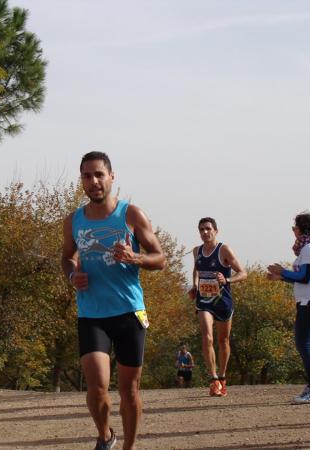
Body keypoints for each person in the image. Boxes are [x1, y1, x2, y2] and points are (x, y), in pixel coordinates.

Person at [61, 151, 166, 450]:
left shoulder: (131, 214)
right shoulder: (73, 221)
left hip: (129, 311)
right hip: (92, 313)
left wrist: (137, 257)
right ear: (81, 180)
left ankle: (128, 447)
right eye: (87, 176)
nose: (93, 181)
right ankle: (106, 435)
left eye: (99, 175)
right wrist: (72, 276)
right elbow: (67, 257)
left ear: (111, 177)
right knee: (97, 387)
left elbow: (161, 259)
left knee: (129, 389)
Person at [267, 213, 310, 404]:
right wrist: (282, 277)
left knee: (304, 345)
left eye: (295, 227)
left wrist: (282, 271)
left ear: (302, 228)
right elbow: (305, 277)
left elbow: (305, 277)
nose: (293, 231)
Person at [187, 217, 247, 397]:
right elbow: (196, 270)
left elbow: (243, 273)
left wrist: (227, 280)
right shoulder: (197, 251)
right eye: (201, 230)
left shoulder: (224, 250)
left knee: (223, 341)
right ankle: (213, 380)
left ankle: (222, 377)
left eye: (208, 229)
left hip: (223, 302)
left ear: (215, 231)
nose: (205, 232)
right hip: (204, 301)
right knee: (207, 337)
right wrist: (195, 285)